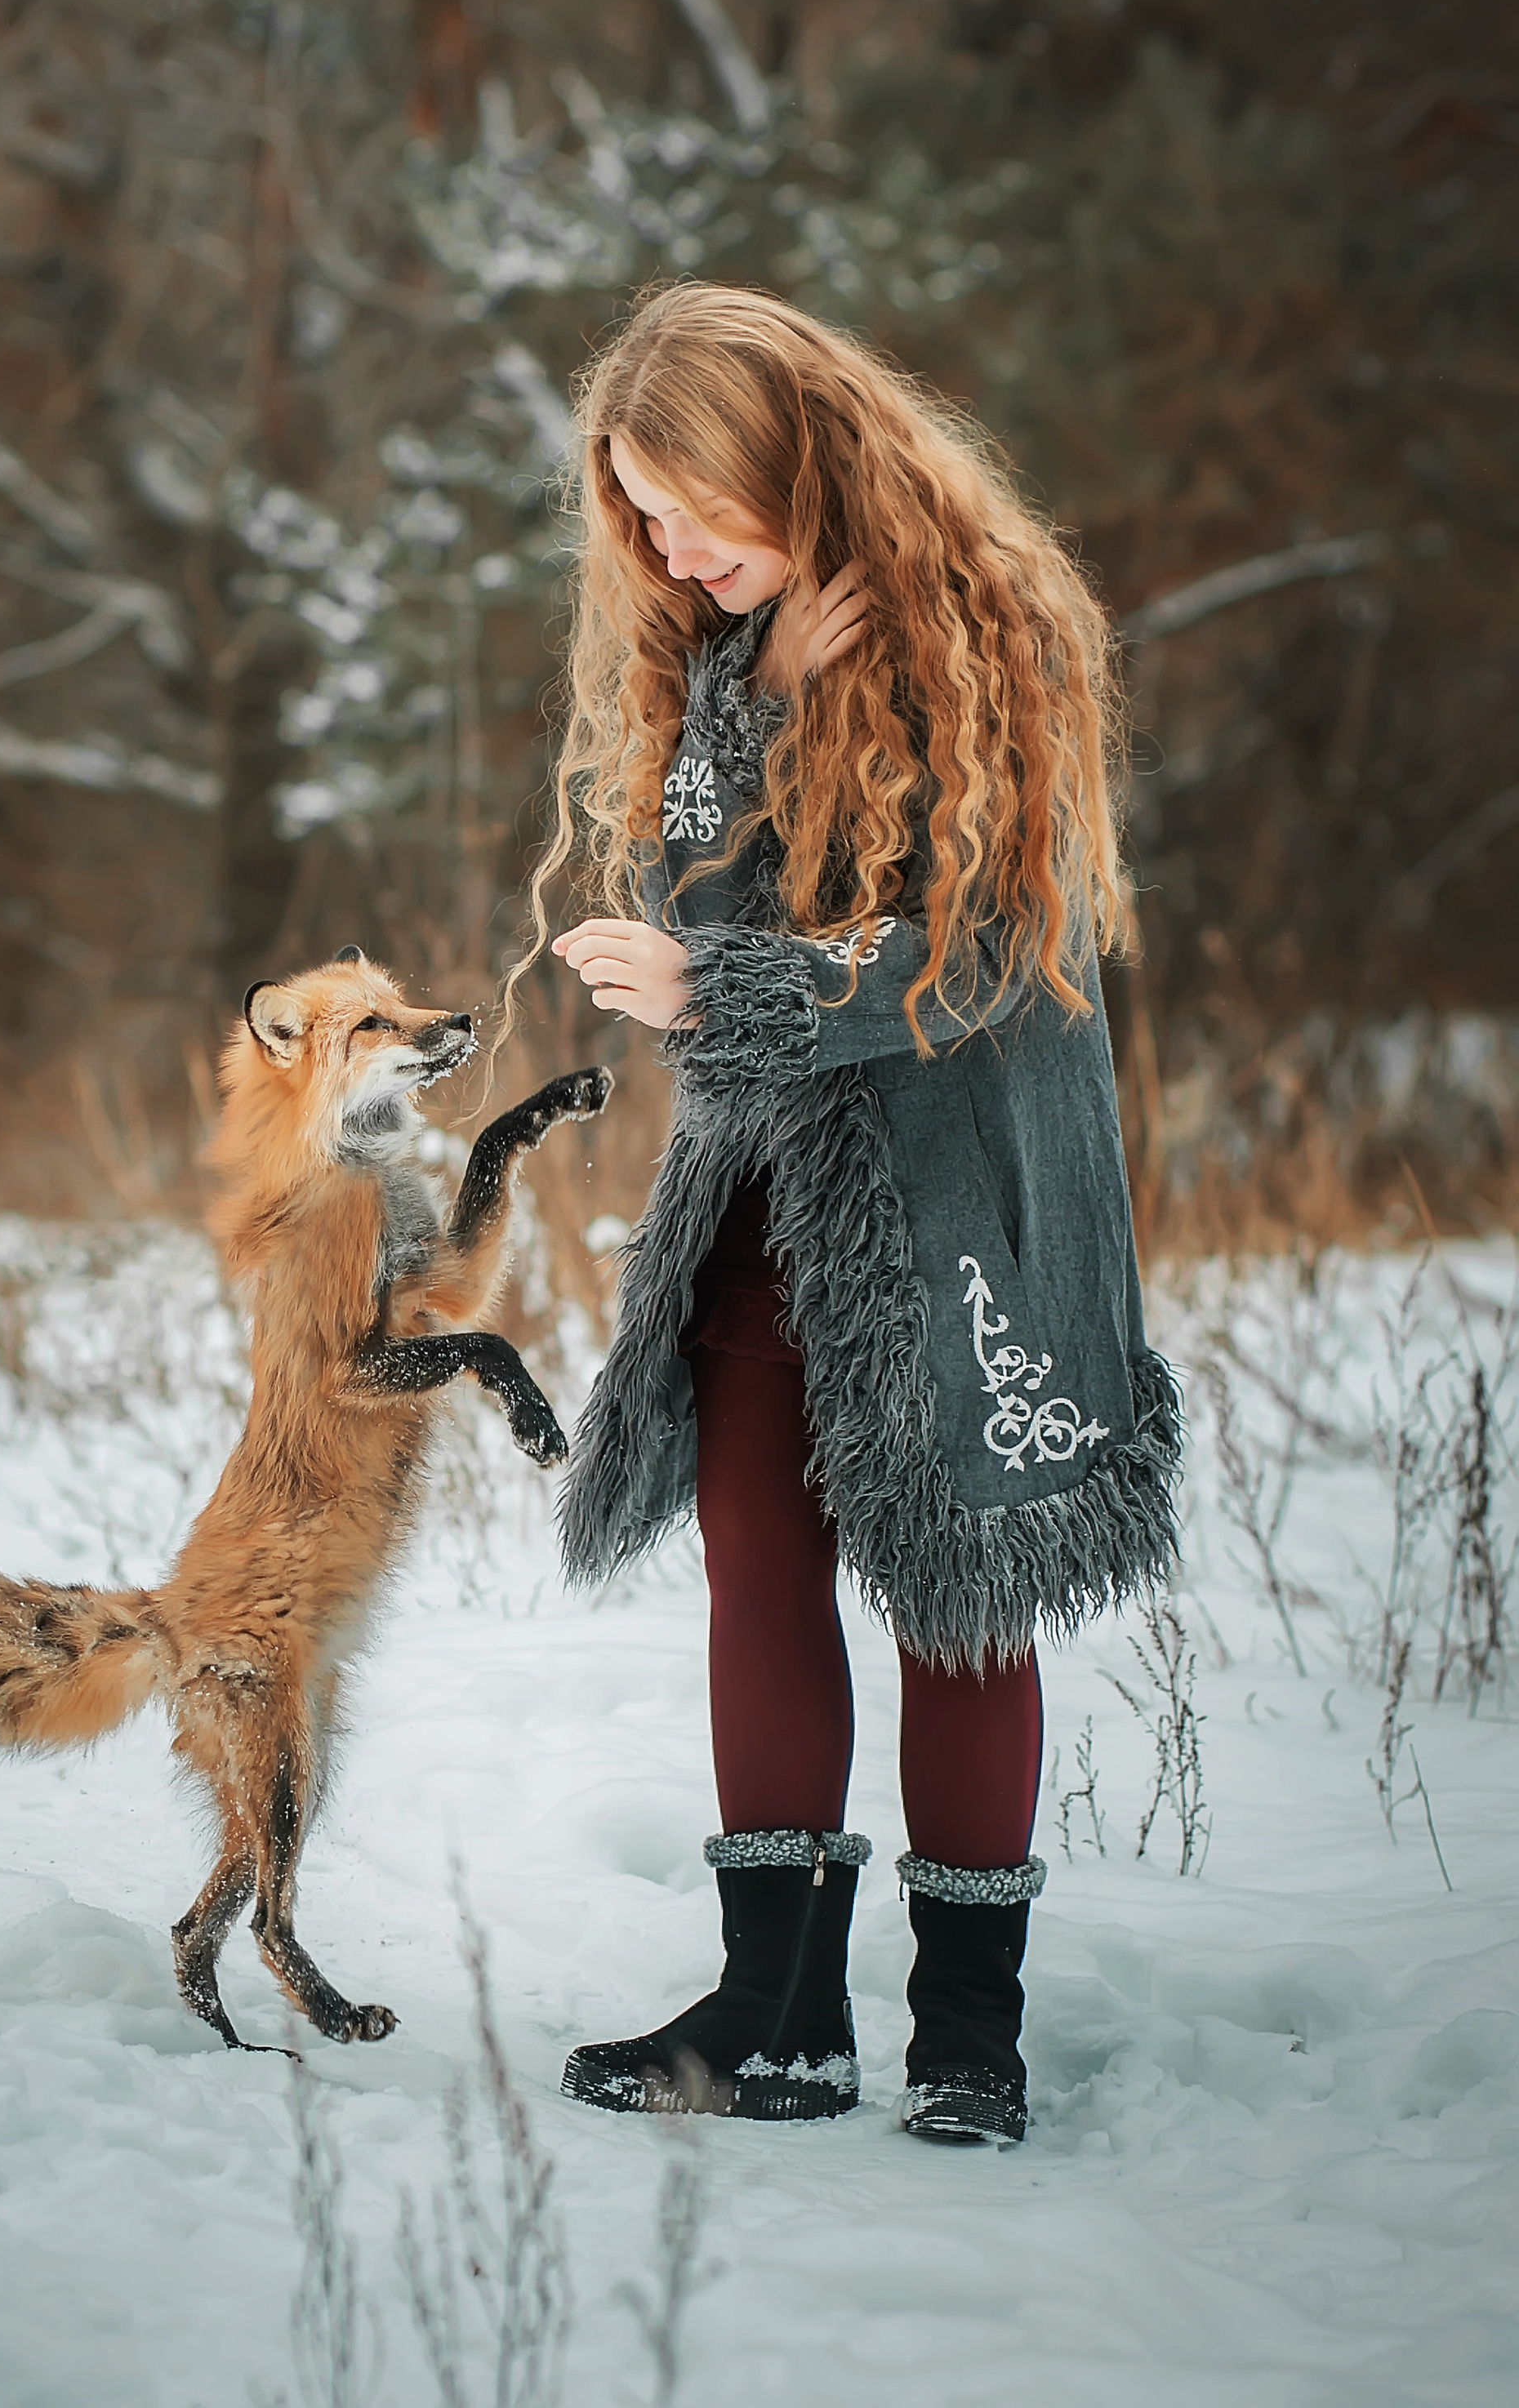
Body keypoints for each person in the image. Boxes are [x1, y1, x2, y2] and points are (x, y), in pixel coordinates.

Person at [529, 281, 1181, 2143]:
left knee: (959, 1598)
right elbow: (708, 900)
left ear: (784, 459)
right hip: (763, 1198)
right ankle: (776, 2011)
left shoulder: (997, 638)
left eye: (688, 505)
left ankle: (968, 2034)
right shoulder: (722, 659)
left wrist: (715, 993)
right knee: (755, 1565)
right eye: (637, 516)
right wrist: (765, 702)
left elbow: (967, 961)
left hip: (960, 1206)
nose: (663, 549)